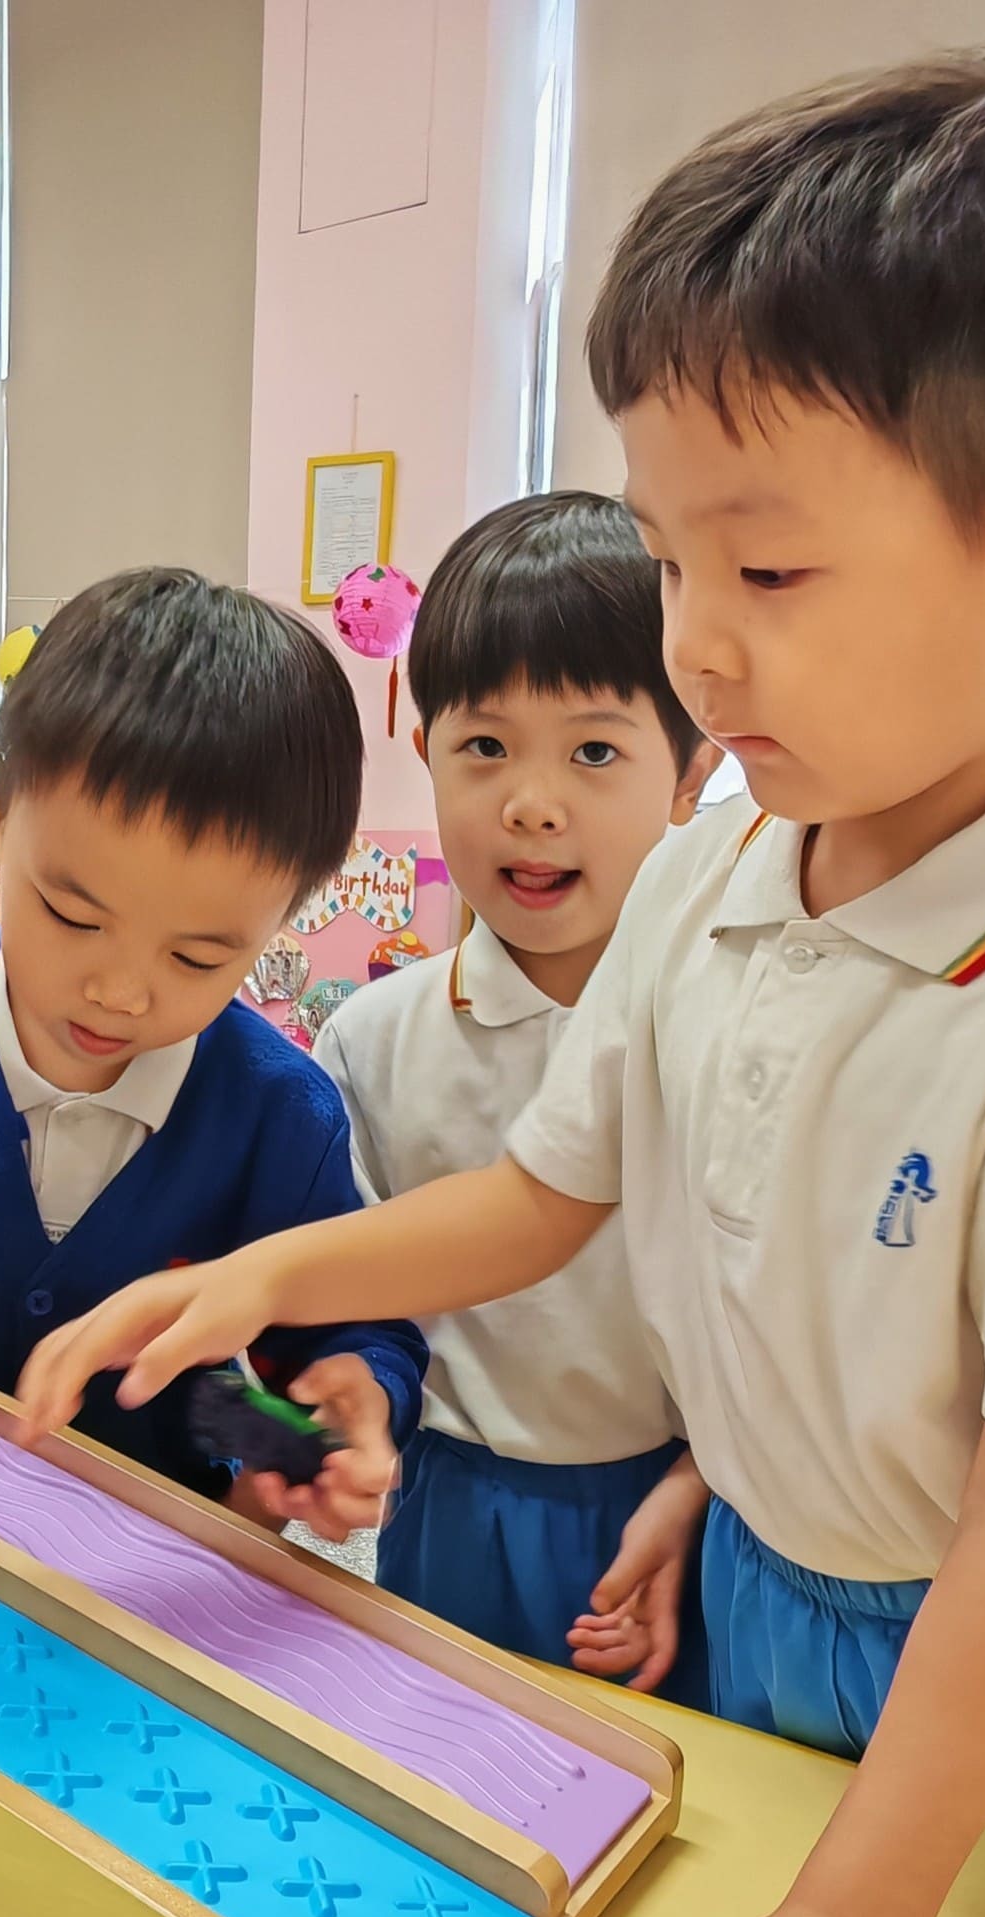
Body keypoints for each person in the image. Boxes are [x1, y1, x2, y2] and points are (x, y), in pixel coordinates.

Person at [14, 58, 985, 1917]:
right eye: (672, 563)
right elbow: (536, 1196)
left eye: (762, 574)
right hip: (775, 1598)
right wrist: (261, 1276)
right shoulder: (712, 873)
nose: (695, 649)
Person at [0, 568, 423, 1535]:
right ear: (0, 816)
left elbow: (354, 1322)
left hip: (142, 1578)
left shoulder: (281, 1119)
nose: (121, 991)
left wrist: (353, 1396)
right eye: (72, 915)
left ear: (283, 915)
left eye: (197, 957)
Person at [310, 492, 717, 1701]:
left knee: (674, 1783)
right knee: (445, 1764)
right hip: (451, 1500)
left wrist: (703, 1480)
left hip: (684, 1507)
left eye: (593, 752)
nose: (531, 803)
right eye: (484, 746)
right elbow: (350, 1305)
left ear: (692, 771)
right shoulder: (373, 1039)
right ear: (424, 747)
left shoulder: (731, 1030)